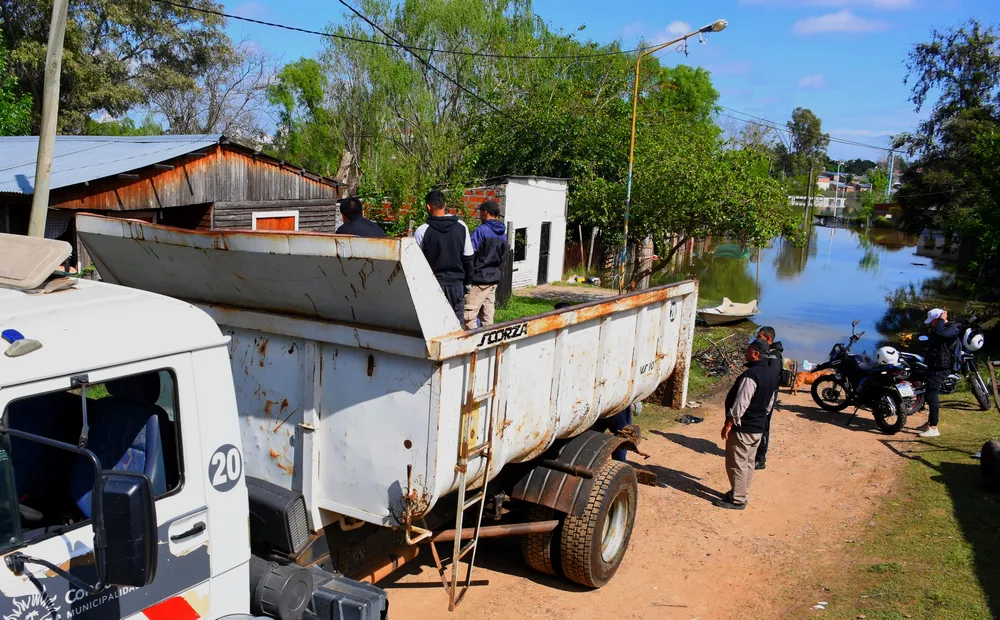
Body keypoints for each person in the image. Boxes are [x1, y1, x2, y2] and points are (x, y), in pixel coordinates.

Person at [715, 339, 777, 510]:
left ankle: (737, 499)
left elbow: (741, 402)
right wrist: (760, 417)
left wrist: (729, 423)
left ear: (756, 354)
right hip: (758, 428)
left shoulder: (751, 376)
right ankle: (740, 492)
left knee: (737, 464)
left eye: (748, 349)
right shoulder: (772, 374)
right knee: (748, 463)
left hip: (744, 428)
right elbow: (770, 403)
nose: (746, 352)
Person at [413, 190, 474, 322]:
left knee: (434, 322)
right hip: (456, 284)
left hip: (433, 285)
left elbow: (415, 263)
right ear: (445, 204)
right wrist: (468, 282)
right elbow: (468, 258)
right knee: (457, 322)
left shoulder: (422, 231)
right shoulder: (461, 227)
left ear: (428, 207)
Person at [917, 308, 962, 438]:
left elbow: (941, 335)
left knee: (932, 395)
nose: (931, 324)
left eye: (933, 321)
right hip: (936, 365)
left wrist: (942, 319)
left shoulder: (953, 328)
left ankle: (933, 427)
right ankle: (929, 422)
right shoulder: (941, 328)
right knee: (928, 393)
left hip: (944, 367)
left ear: (938, 319)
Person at [464, 200, 508, 329]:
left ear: (486, 213)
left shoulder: (481, 231)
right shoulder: (502, 233)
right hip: (493, 278)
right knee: (487, 318)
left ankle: (473, 341)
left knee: (468, 317)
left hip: (479, 279)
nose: (479, 215)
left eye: (480, 212)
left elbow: (469, 253)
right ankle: (487, 340)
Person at [754, 326, 784, 471]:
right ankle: (754, 453)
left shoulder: (774, 355)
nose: (757, 338)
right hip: (761, 392)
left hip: (769, 393)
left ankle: (761, 459)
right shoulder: (765, 352)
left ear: (769, 339)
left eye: (760, 336)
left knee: (764, 424)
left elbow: (771, 376)